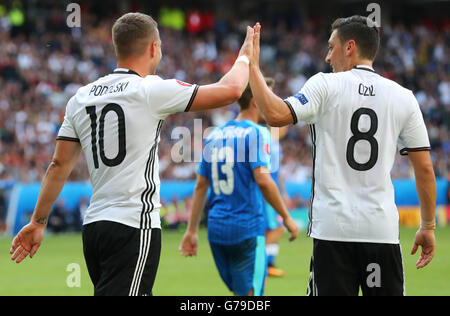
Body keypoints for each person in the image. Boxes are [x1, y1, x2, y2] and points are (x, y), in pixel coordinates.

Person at [10, 12, 255, 296]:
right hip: (132, 224)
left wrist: (37, 221)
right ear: (153, 47)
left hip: (95, 228)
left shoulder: (81, 97)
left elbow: (58, 164)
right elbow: (232, 89)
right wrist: (245, 57)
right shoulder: (149, 89)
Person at [249, 17, 436, 296]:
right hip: (380, 230)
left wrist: (252, 66)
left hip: (333, 231)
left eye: (331, 47)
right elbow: (424, 169)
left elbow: (275, 115)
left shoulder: (325, 85)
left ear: (349, 47)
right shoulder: (404, 97)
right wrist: (428, 226)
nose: (326, 56)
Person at [179, 79, 299, 296]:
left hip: (216, 229)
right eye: (267, 98)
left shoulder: (214, 135)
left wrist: (191, 230)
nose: (271, 103)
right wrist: (286, 216)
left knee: (239, 294)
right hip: (246, 229)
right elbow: (263, 179)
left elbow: (200, 185)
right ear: (255, 102)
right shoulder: (257, 133)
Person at [264, 125, 290, 277]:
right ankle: (263, 263)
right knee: (277, 228)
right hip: (267, 194)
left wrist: (283, 192)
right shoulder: (269, 144)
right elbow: (264, 173)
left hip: (273, 193)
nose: (286, 129)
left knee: (271, 229)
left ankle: (268, 264)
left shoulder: (274, 144)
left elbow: (277, 173)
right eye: (284, 125)